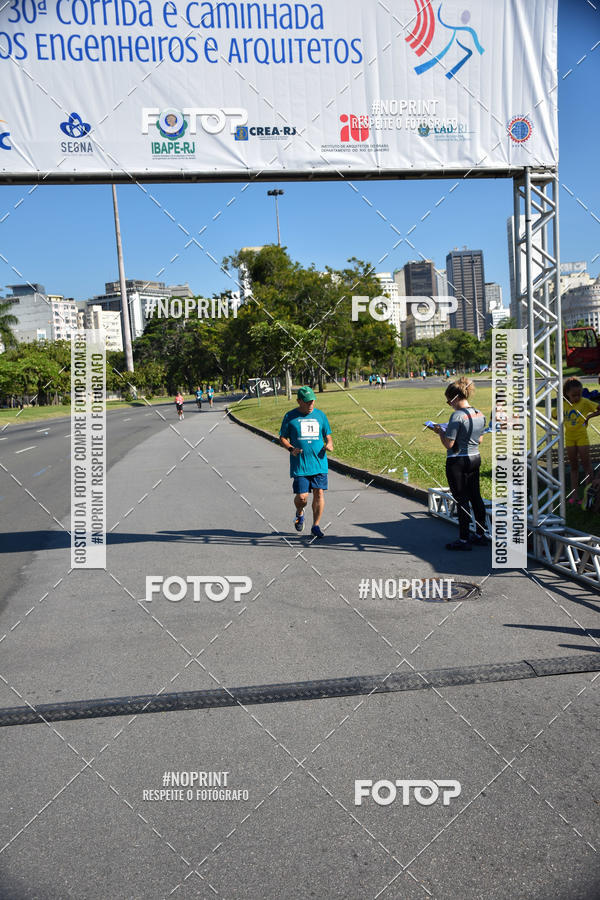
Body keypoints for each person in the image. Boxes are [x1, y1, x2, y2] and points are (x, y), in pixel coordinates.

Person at [432, 377, 487, 550]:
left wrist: (440, 432)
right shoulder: (479, 413)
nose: (449, 404)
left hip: (457, 461)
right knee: (476, 497)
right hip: (475, 457)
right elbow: (480, 440)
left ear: (455, 398)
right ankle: (480, 534)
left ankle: (463, 539)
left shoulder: (457, 416)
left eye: (449, 401)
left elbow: (449, 444)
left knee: (461, 499)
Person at [279, 386, 333, 539]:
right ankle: (300, 512)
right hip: (300, 464)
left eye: (313, 401)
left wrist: (329, 443)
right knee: (302, 497)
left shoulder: (320, 415)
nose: (311, 404)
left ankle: (315, 526)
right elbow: (282, 437)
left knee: (319, 493)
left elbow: (328, 435)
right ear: (299, 401)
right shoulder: (290, 416)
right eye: (307, 402)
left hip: (319, 462)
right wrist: (291, 449)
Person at [554, 377, 600, 504]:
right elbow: (554, 415)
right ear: (567, 393)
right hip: (569, 438)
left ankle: (588, 494)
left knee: (586, 465)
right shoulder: (563, 404)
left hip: (582, 438)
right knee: (573, 466)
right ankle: (575, 495)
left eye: (579, 394)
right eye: (574, 395)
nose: (577, 397)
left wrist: (589, 416)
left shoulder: (584, 402)